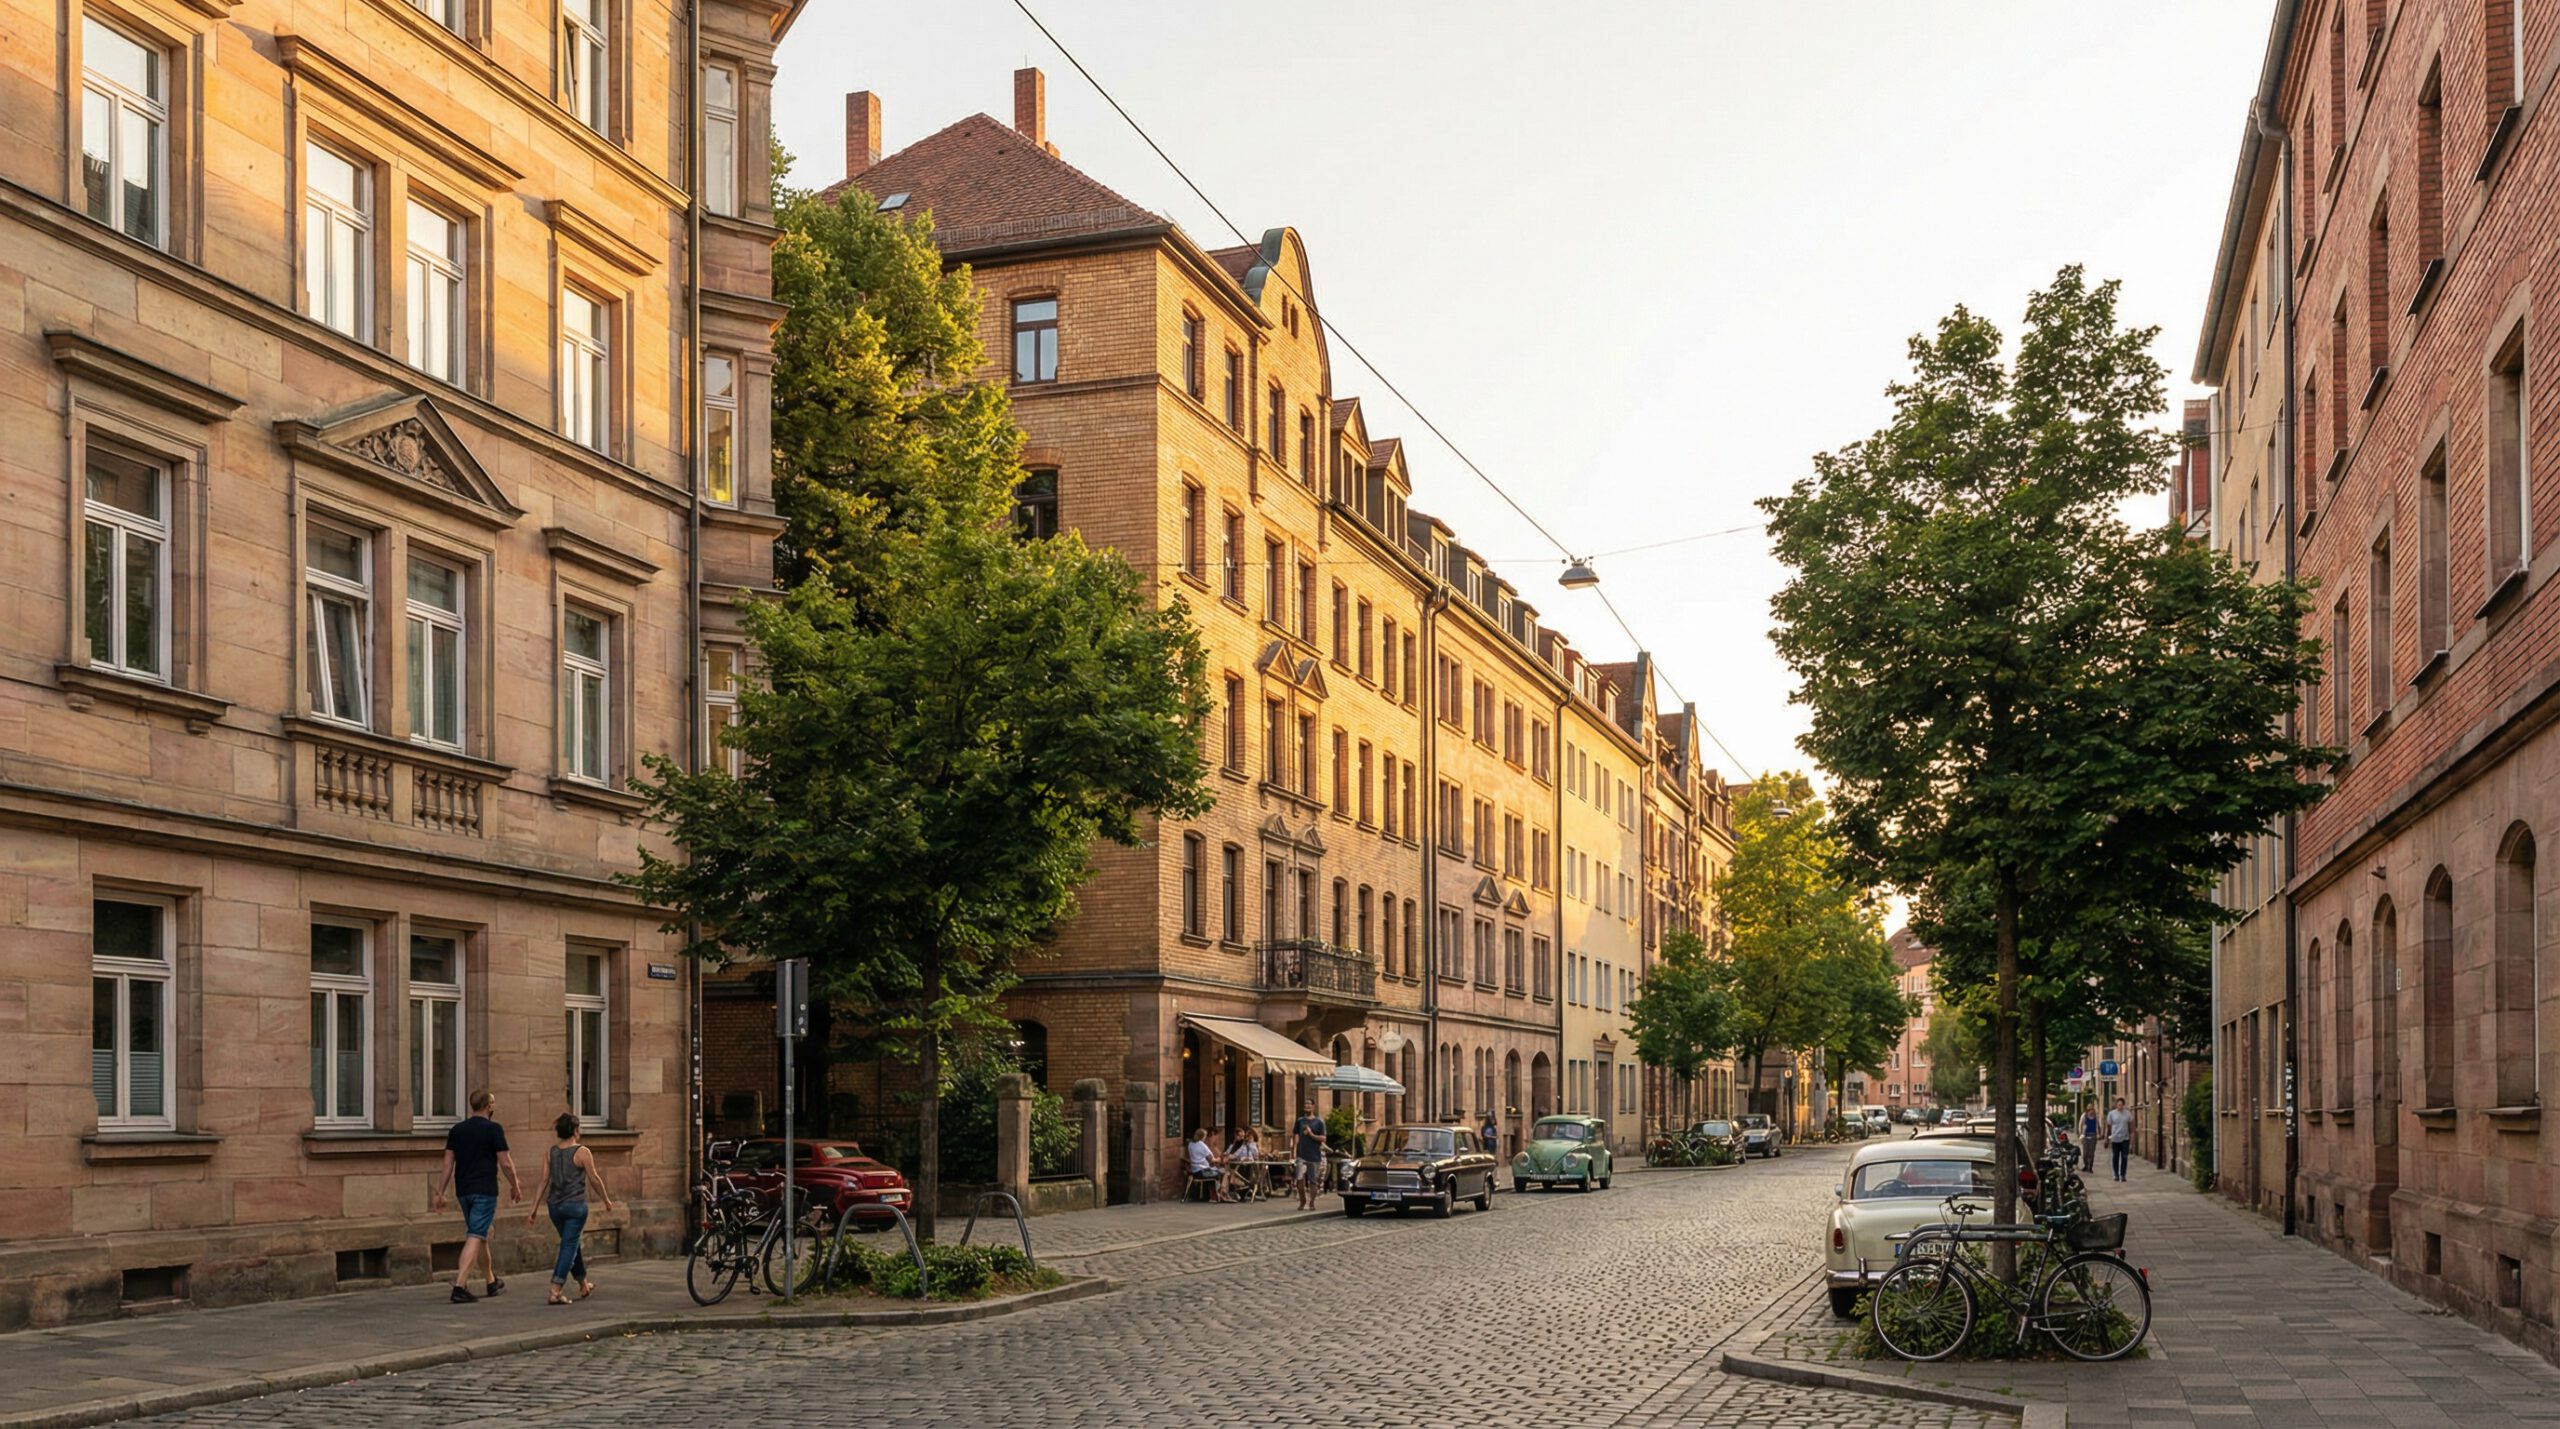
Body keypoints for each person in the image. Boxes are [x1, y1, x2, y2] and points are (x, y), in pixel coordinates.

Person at [432, 1089, 521, 1303]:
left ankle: (491, 1281)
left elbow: (447, 1164)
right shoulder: (493, 1129)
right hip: (485, 1189)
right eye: (493, 1103)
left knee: (480, 1235)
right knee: (475, 1235)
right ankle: (460, 1286)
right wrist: (515, 1185)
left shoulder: (457, 1130)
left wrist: (440, 1192)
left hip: (463, 1190)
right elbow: (506, 1162)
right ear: (488, 1105)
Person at [523, 1112, 616, 1305]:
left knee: (571, 1244)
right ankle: (555, 1290)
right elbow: (594, 1179)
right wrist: (606, 1199)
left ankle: (583, 1284)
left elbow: (543, 1181)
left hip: (555, 1207)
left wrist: (533, 1209)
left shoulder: (551, 1152)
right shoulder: (582, 1152)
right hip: (575, 1207)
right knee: (569, 1246)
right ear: (575, 1130)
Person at [1290, 1101, 1330, 1209]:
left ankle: (1311, 1202)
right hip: (1301, 1155)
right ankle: (1302, 1201)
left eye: (1309, 1104)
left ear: (1313, 1107)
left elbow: (1323, 1138)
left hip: (1314, 1155)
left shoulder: (1319, 1122)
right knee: (1299, 1178)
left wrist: (1311, 1134)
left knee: (1313, 1180)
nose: (1306, 1106)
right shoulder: (1300, 1121)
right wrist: (1293, 1152)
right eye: (1305, 1104)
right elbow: (1295, 1136)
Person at [1183, 1127, 1229, 1202]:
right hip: (1202, 1172)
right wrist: (1221, 1159)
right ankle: (1220, 1193)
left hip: (1193, 1171)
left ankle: (1210, 1195)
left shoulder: (1190, 1144)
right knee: (1224, 1172)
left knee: (1214, 1170)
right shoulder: (1202, 1145)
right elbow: (1212, 1160)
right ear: (1203, 1136)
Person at [2106, 1098, 2134, 1182]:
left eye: (2121, 1105)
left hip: (2125, 1138)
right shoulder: (2111, 1114)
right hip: (2115, 1138)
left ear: (2123, 1105)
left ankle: (2123, 1174)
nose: (2120, 1107)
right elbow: (2108, 1127)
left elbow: (2132, 1128)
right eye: (2118, 1105)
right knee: (2115, 1157)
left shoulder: (2128, 1114)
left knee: (2124, 1157)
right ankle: (2116, 1174)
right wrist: (2106, 1138)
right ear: (2116, 1105)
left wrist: (2132, 1141)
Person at [2080, 1104, 2100, 1175]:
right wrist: (2081, 1135)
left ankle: (2090, 1167)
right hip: (2085, 1136)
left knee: (2091, 1153)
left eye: (2092, 1109)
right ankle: (2086, 1165)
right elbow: (2081, 1126)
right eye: (2089, 1109)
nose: (2091, 1111)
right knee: (2085, 1153)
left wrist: (2098, 1135)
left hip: (2093, 1135)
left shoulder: (2096, 1117)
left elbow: (2098, 1125)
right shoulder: (2084, 1116)